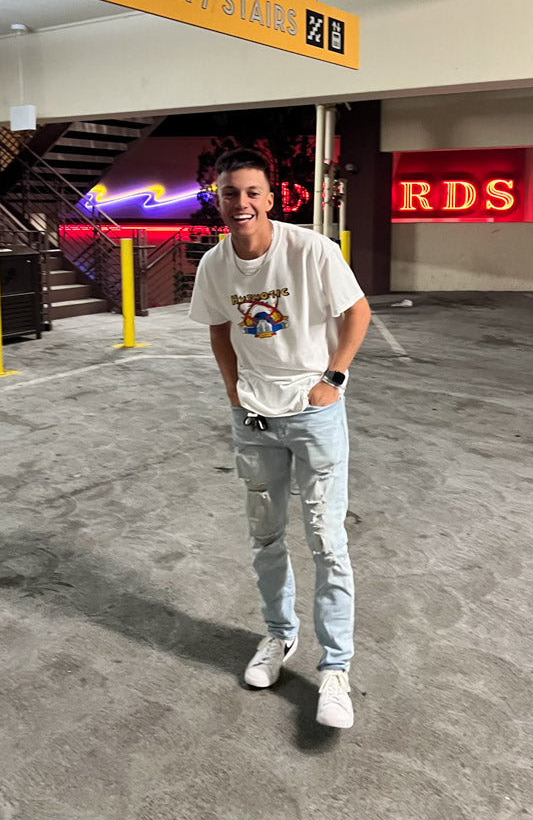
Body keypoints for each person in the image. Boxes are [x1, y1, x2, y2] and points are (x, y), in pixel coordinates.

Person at [189, 148, 371, 728]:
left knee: (325, 536)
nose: (240, 203)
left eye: (251, 193)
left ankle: (335, 670)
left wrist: (333, 378)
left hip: (313, 412)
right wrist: (231, 388)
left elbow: (357, 311)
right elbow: (220, 329)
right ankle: (279, 637)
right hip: (254, 417)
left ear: (271, 198)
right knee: (265, 535)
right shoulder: (215, 265)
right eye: (229, 194)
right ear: (218, 200)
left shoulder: (311, 249)